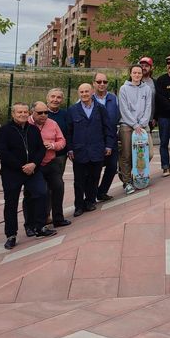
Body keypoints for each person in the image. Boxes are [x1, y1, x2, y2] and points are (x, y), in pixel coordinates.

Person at [0, 103, 56, 250]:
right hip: (12, 172)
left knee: (41, 193)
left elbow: (40, 149)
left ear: (28, 113)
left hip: (33, 170)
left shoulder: (33, 129)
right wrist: (21, 166)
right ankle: (11, 235)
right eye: (19, 112)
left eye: (24, 112)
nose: (22, 114)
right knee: (11, 202)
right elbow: (2, 152)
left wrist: (34, 164)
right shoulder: (4, 131)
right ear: (13, 114)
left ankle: (39, 227)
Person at [67, 83, 116, 214]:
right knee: (79, 181)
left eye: (86, 91)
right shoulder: (72, 110)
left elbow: (108, 128)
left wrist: (109, 145)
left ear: (92, 92)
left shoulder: (100, 109)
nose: (84, 94)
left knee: (94, 178)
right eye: (81, 92)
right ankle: (78, 206)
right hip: (79, 151)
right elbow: (69, 132)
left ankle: (90, 201)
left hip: (97, 150)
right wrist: (70, 149)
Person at [28, 101, 70, 229]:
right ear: (32, 112)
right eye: (40, 113)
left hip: (51, 161)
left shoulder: (53, 123)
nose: (43, 115)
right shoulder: (27, 124)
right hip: (35, 164)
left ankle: (58, 218)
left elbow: (62, 141)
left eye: (46, 112)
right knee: (38, 193)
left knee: (58, 187)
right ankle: (33, 223)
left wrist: (52, 145)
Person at [118, 66, 152, 193]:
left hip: (143, 125)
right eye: (134, 73)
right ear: (130, 74)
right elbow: (124, 109)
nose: (137, 75)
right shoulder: (124, 89)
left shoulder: (147, 88)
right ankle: (127, 181)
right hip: (127, 125)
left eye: (139, 72)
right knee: (127, 154)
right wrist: (134, 124)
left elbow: (148, 106)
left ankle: (138, 174)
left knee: (149, 154)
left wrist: (142, 123)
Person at [93, 72, 119, 201]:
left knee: (113, 166)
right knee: (96, 169)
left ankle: (102, 192)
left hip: (112, 138)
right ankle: (91, 195)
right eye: (99, 82)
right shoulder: (88, 99)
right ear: (94, 83)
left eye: (104, 82)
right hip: (96, 140)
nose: (102, 84)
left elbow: (119, 115)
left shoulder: (114, 98)